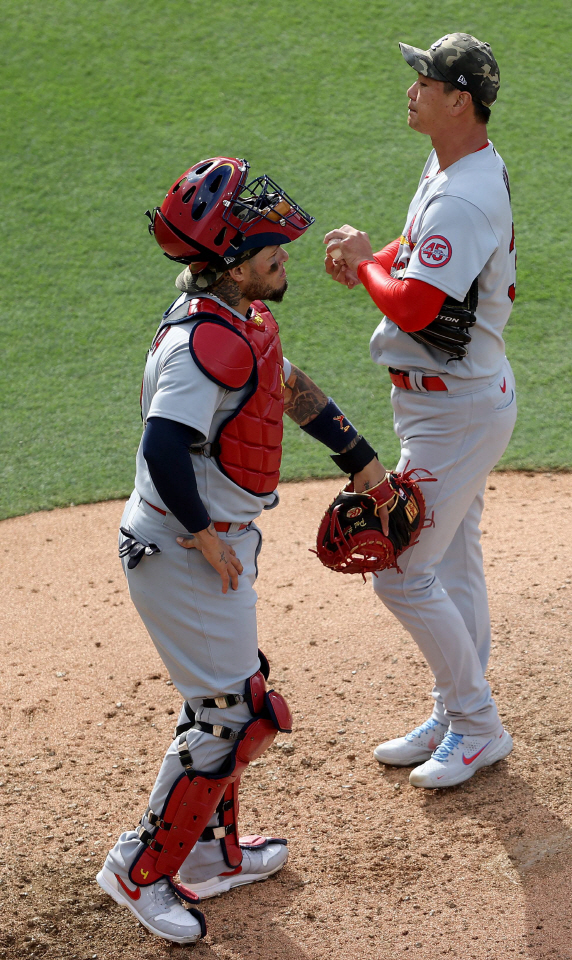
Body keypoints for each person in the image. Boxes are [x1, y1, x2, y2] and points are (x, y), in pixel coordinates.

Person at [96, 156, 386, 944]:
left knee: (234, 701)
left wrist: (358, 456)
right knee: (234, 716)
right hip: (183, 550)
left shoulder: (239, 322)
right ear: (228, 262)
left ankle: (211, 855)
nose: (281, 252)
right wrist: (202, 538)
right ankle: (140, 869)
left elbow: (284, 387)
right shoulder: (202, 346)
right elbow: (162, 447)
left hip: (211, 546)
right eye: (268, 247)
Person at [324, 34, 518, 790]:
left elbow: (414, 302)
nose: (411, 88)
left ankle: (476, 723)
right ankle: (455, 710)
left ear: (459, 98)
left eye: (425, 79)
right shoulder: (456, 164)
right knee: (452, 560)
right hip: (449, 404)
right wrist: (381, 258)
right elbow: (422, 250)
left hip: (458, 411)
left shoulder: (468, 191)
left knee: (400, 567)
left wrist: (374, 265)